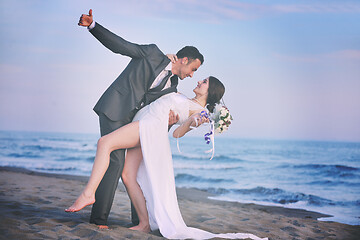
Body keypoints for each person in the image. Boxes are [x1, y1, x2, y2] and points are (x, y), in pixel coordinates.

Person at [65, 77, 267, 240]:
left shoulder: (200, 113)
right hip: (143, 122)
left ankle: (89, 193)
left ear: (210, 91)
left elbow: (178, 133)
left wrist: (191, 122)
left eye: (204, 82)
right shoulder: (186, 98)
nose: (199, 82)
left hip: (149, 126)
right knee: (127, 175)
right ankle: (144, 224)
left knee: (104, 143)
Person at [77, 9, 204, 228]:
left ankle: (140, 221)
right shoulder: (153, 53)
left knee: (132, 170)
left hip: (134, 122)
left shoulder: (173, 88)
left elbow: (157, 112)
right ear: (184, 59)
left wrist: (170, 122)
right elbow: (121, 46)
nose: (192, 75)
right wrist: (93, 26)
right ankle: (98, 219)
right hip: (114, 108)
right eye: (193, 69)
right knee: (116, 161)